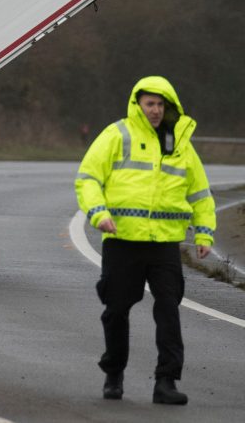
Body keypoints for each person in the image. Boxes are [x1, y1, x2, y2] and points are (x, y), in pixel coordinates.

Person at [74, 76, 216, 405]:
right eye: (149, 103)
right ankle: (114, 372)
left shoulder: (179, 142)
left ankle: (166, 382)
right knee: (116, 309)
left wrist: (204, 232)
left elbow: (200, 193)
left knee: (169, 309)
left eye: (159, 104)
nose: (154, 110)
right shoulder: (117, 134)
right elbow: (88, 177)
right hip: (122, 239)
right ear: (137, 104)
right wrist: (98, 213)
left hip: (164, 244)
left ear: (168, 107)